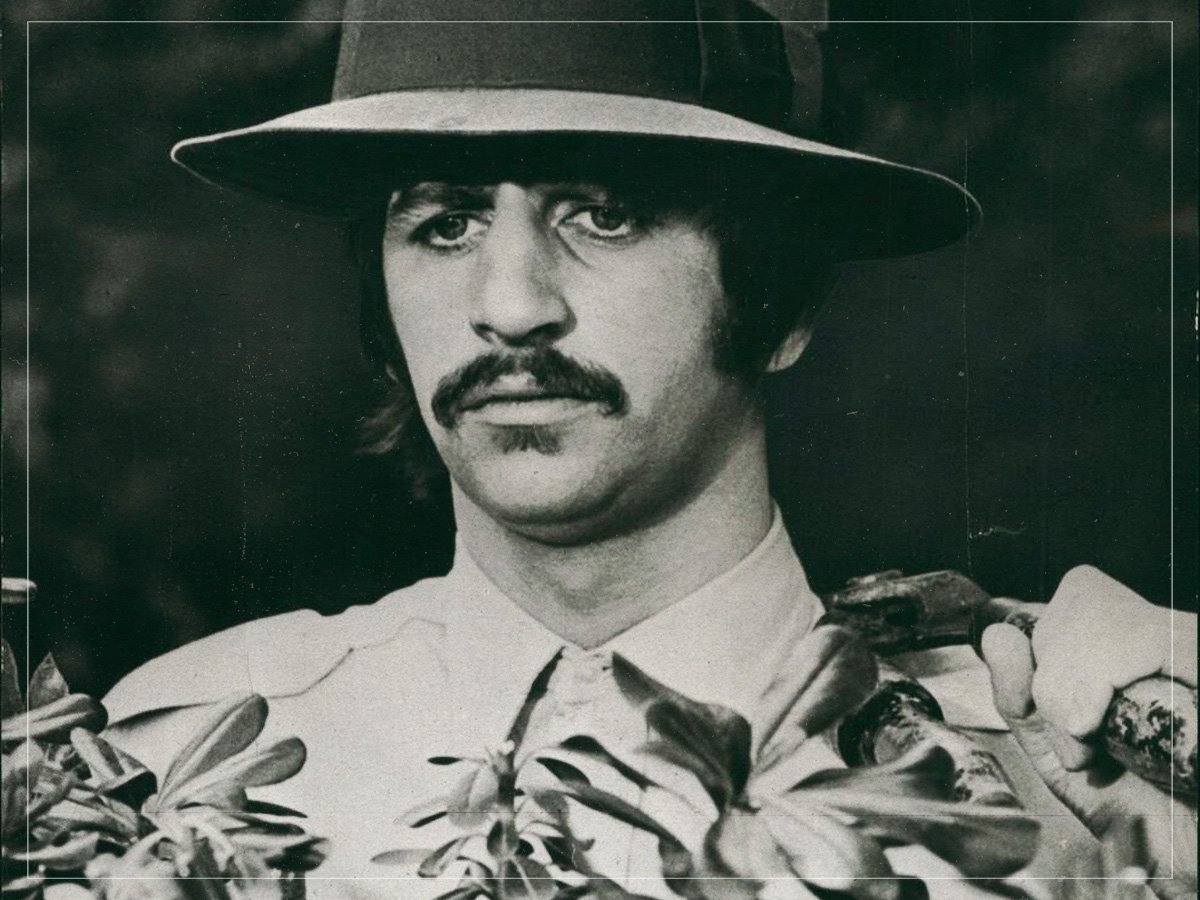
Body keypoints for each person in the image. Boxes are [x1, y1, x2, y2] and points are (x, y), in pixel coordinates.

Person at [101, 2, 1197, 898]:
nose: (510, 306)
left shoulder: (1064, 781)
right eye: (444, 224)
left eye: (605, 215)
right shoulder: (177, 762)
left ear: (781, 303)